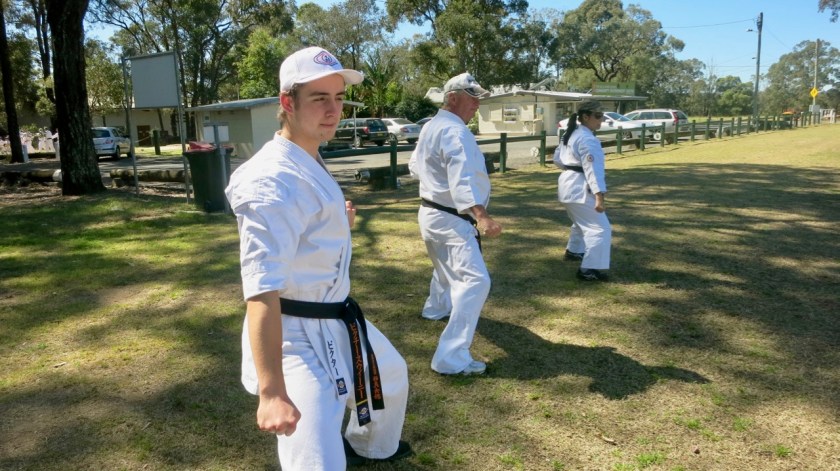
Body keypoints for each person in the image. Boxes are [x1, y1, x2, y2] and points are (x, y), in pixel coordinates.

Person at [225, 46, 412, 470]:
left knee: (391, 375)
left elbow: (305, 224)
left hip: (335, 316)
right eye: (319, 98)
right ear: (287, 102)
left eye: (339, 98)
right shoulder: (270, 181)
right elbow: (261, 292)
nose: (333, 111)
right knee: (317, 461)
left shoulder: (308, 152)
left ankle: (367, 446)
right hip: (294, 334)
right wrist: (272, 392)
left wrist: (337, 223)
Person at [408, 72, 503, 376]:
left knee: (444, 268)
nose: (477, 104)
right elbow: (462, 178)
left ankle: (435, 308)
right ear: (452, 97)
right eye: (471, 97)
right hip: (450, 217)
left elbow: (414, 166)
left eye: (478, 98)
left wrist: (434, 183)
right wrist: (481, 216)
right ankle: (450, 358)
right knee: (475, 282)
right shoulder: (455, 131)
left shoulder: (432, 125)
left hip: (431, 212)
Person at [553, 100, 612, 281]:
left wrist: (571, 167)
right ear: (586, 117)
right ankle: (589, 269)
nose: (601, 120)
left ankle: (574, 251)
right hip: (580, 187)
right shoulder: (587, 139)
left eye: (602, 116)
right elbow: (593, 170)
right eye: (598, 116)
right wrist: (599, 196)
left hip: (568, 184)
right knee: (599, 229)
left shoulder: (571, 133)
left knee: (581, 223)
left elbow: (557, 159)